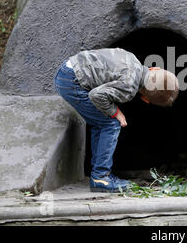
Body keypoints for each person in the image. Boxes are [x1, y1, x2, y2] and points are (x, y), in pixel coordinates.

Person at [54, 48, 179, 193]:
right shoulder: (129, 88)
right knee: (111, 124)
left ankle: (98, 174)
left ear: (154, 68)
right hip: (72, 83)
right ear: (145, 99)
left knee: (100, 122)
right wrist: (116, 112)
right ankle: (101, 177)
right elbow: (96, 95)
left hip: (67, 69)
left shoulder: (132, 58)